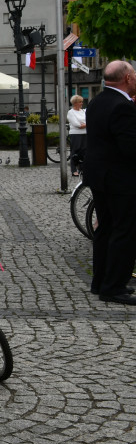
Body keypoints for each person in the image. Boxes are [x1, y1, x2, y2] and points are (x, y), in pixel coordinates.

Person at [84, 60, 136, 305]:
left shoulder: (97, 102)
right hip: (120, 179)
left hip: (99, 177)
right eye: (134, 74)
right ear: (127, 77)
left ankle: (100, 281)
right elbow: (130, 148)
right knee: (124, 231)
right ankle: (114, 287)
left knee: (104, 228)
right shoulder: (122, 106)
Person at [66, 94, 87, 176]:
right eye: (80, 102)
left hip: (85, 133)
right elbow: (77, 125)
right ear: (75, 103)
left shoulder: (83, 111)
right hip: (75, 134)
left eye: (82, 102)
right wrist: (85, 124)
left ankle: (82, 169)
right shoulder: (71, 112)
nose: (81, 103)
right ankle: (73, 169)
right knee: (75, 151)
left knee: (84, 152)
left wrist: (84, 124)